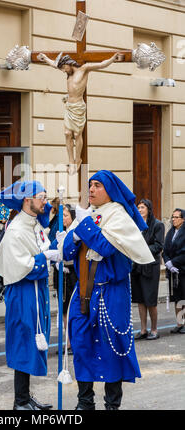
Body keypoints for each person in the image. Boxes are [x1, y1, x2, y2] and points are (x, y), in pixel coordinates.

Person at [62, 170, 154, 410]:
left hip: (111, 293)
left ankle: (112, 405)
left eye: (97, 185)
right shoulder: (90, 216)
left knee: (110, 347)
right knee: (81, 344)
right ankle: (85, 402)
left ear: (109, 191)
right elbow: (66, 252)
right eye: (90, 185)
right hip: (83, 293)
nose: (91, 189)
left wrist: (82, 228)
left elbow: (104, 247)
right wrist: (75, 235)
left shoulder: (118, 217)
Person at [0, 181, 61, 410]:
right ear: (27, 199)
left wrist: (54, 248)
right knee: (24, 342)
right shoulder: (15, 230)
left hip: (36, 290)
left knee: (31, 343)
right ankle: (20, 402)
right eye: (41, 197)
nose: (45, 201)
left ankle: (25, 397)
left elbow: (43, 244)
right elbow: (24, 265)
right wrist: (46, 257)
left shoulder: (33, 225)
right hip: (23, 292)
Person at [37, 52, 123, 175]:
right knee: (67, 133)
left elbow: (101, 65)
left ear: (68, 64)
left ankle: (78, 159)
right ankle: (71, 161)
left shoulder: (84, 69)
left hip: (78, 107)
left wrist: (113, 59)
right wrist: (45, 58)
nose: (63, 71)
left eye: (63, 68)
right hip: (69, 106)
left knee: (77, 134)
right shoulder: (68, 72)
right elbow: (53, 64)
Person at [131, 199, 165, 340]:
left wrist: (141, 250)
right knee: (140, 299)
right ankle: (143, 329)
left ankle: (154, 329)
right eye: (138, 207)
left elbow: (158, 246)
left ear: (149, 209)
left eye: (142, 207)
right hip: (137, 266)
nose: (140, 210)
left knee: (150, 300)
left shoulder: (158, 225)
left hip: (150, 266)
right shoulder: (135, 225)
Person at [54, 204, 78, 354]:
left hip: (72, 274)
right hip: (61, 273)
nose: (63, 219)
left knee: (72, 309)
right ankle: (68, 341)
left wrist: (64, 260)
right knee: (63, 309)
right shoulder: (61, 231)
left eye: (66, 215)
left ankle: (74, 341)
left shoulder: (75, 232)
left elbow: (74, 253)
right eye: (62, 216)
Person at [162, 208, 185, 334]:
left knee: (184, 297)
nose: (173, 219)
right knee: (177, 297)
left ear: (183, 219)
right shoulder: (170, 232)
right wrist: (167, 263)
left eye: (176, 217)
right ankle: (179, 323)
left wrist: (174, 262)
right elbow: (165, 250)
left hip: (182, 269)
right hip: (173, 271)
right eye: (173, 217)